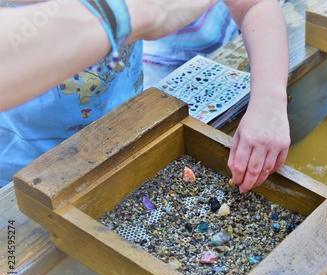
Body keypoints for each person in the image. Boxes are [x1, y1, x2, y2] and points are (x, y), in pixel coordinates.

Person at [0, 0, 290, 193]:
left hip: (127, 135)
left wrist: (269, 101)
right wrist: (134, 15)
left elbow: (253, 5)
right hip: (19, 174)